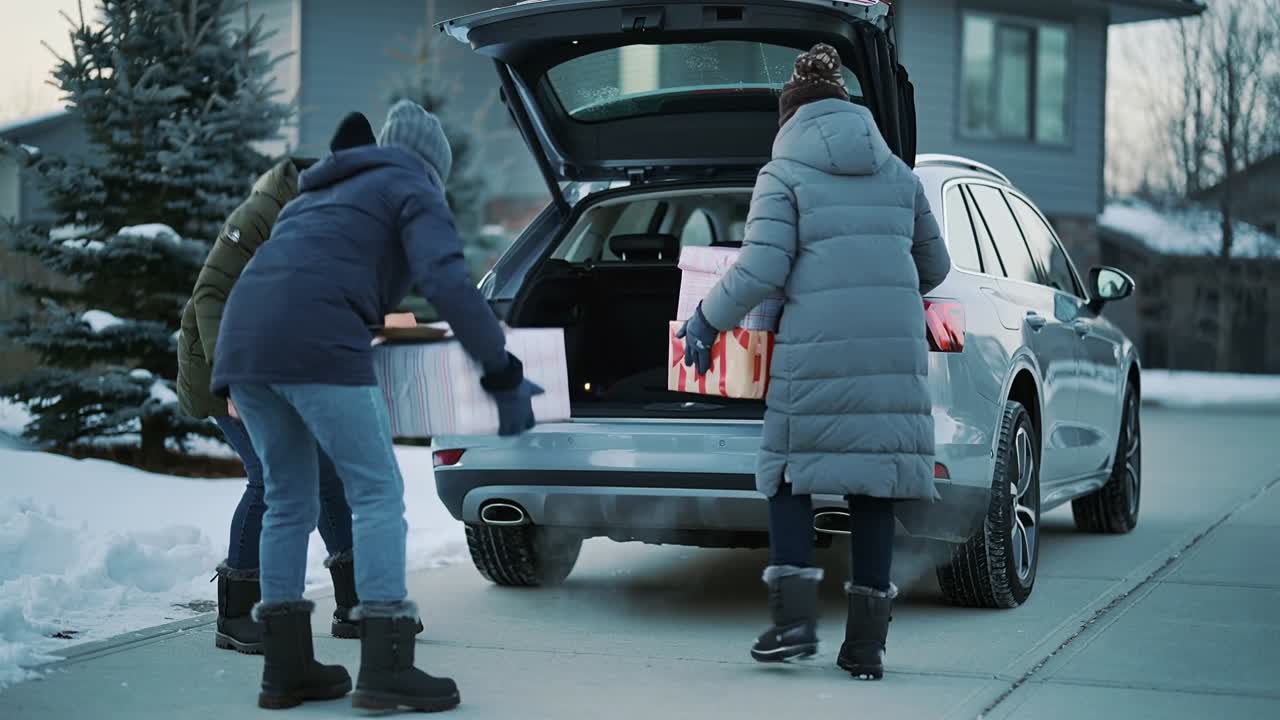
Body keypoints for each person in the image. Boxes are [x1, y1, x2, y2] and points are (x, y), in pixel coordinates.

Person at [211, 100, 541, 712]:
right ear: (433, 167)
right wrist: (501, 372)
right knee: (377, 493)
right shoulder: (412, 184)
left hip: (244, 345)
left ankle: (286, 669)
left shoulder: (317, 193)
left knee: (287, 499)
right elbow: (447, 281)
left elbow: (302, 275)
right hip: (316, 343)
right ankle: (387, 667)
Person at [676, 44, 950, 681]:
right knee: (874, 487)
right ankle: (867, 648)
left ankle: (794, 625)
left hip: (817, 349)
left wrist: (706, 320)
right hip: (892, 352)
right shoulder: (899, 175)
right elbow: (934, 267)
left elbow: (762, 268)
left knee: (788, 475)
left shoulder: (783, 174)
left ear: (790, 115)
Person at [177, 112, 425, 654]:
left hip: (295, 366)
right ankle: (237, 615)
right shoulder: (267, 208)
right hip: (231, 366)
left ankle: (356, 605)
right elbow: (211, 293)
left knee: (329, 477)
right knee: (272, 478)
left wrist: (409, 327)